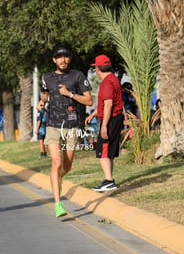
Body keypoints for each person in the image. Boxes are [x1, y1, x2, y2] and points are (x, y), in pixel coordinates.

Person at [38, 43, 93, 218]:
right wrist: (43, 101)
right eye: (60, 57)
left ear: (69, 58)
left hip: (71, 125)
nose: (63, 59)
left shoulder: (77, 76)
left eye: (66, 56)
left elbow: (89, 101)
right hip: (53, 125)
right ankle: (57, 203)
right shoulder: (47, 77)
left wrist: (70, 94)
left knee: (67, 165)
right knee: (56, 162)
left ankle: (57, 180)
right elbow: (46, 93)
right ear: (54, 59)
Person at [85, 54, 124, 192]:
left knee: (103, 152)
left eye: (95, 67)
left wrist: (104, 126)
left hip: (111, 119)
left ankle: (108, 181)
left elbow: (108, 105)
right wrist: (94, 114)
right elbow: (106, 104)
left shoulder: (107, 82)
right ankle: (109, 179)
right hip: (115, 117)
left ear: (98, 68)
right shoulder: (113, 79)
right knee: (108, 153)